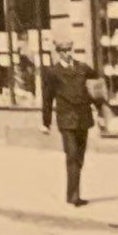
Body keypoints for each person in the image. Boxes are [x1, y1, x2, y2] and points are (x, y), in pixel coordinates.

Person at [40, 40, 104, 207]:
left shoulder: (83, 68)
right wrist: (46, 123)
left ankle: (74, 193)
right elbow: (47, 99)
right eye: (64, 51)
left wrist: (101, 111)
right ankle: (73, 196)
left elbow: (95, 88)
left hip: (84, 118)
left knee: (80, 158)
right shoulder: (52, 72)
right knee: (72, 155)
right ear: (58, 52)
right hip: (66, 119)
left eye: (69, 50)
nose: (67, 54)